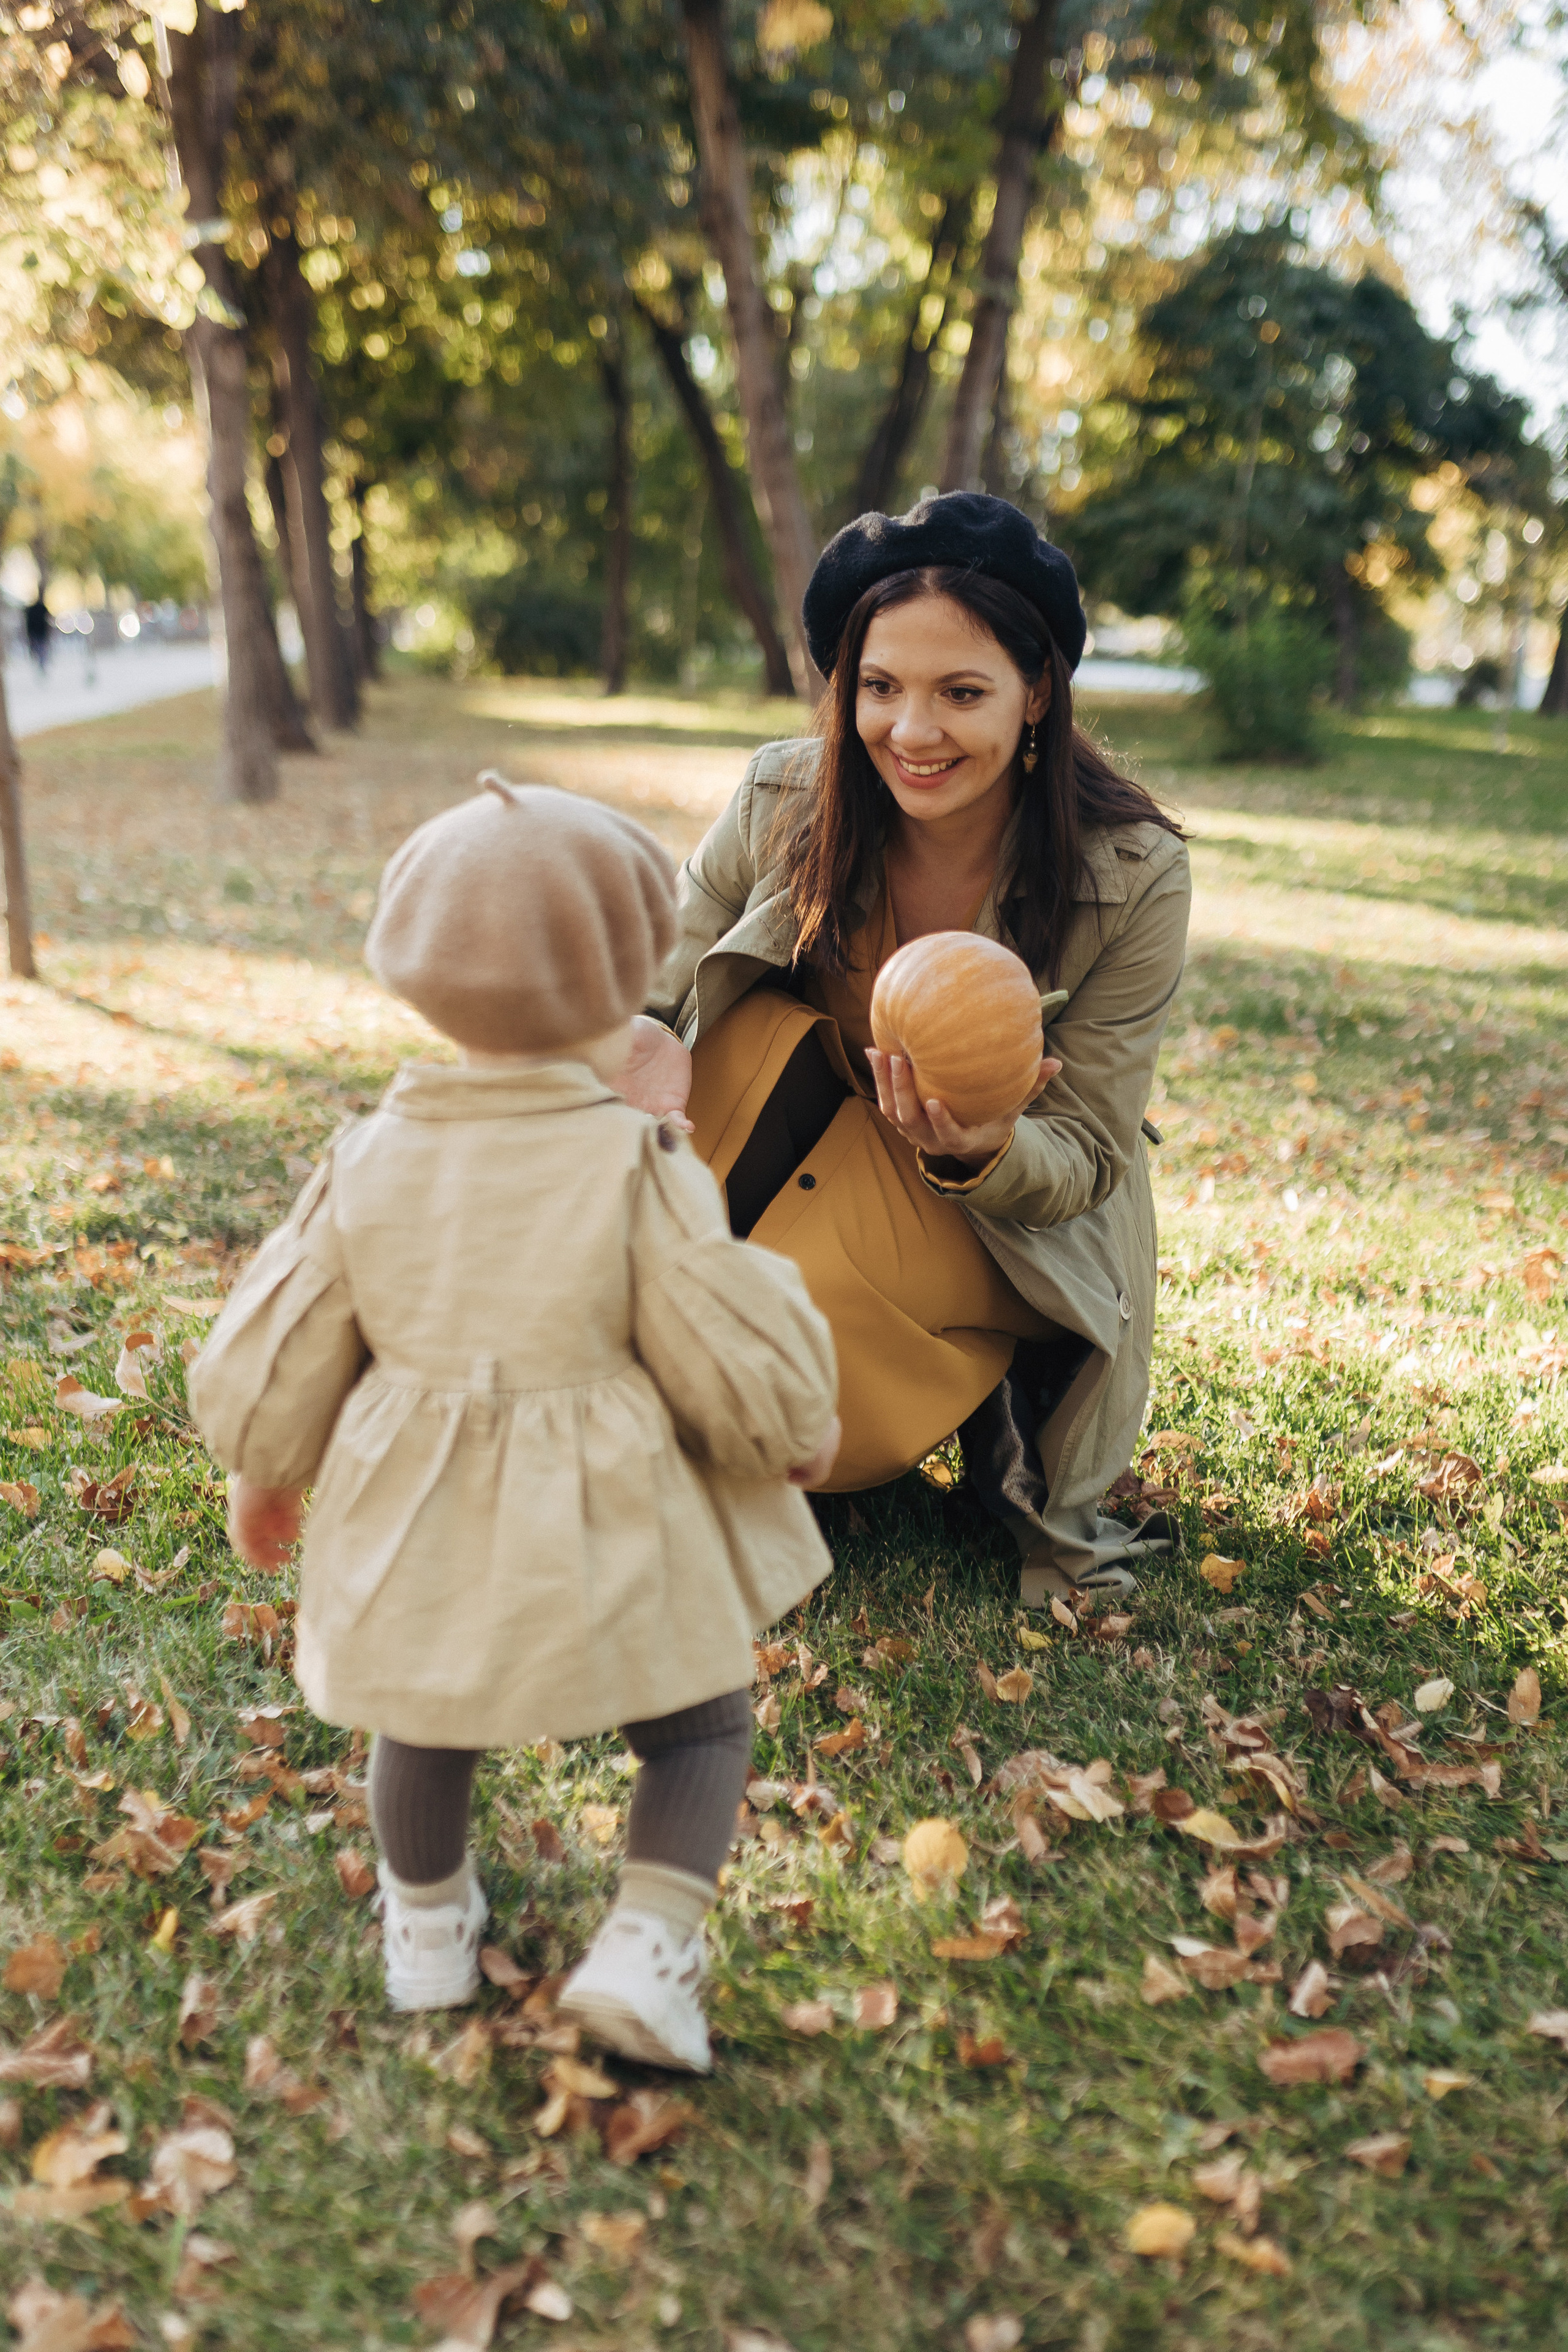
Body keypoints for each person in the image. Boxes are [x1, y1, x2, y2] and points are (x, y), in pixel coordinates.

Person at [189, 779, 840, 2068]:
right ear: (622, 978)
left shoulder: (366, 1157)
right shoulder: (632, 1161)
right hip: (610, 1503)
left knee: (422, 1720)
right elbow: (713, 1321)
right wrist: (790, 1426)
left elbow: (292, 1328)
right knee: (699, 1720)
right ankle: (647, 1944)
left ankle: (425, 1927)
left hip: (418, 1499)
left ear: (410, 974)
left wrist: (264, 1473)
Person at [622, 491, 1191, 1605]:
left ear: (1037, 695)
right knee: (625, 1261)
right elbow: (657, 978)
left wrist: (982, 1146)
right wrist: (632, 1052)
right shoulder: (786, 794)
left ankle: (798, 1439)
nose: (911, 732)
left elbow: (1087, 1151)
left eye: (961, 693)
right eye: (879, 688)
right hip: (777, 1100)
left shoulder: (1131, 873)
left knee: (780, 1355)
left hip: (976, 1182)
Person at [23, 592, 51, 674]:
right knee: (40, 650)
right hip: (39, 633)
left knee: (39, 650)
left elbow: (48, 621)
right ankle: (41, 665)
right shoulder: (41, 608)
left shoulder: (33, 609)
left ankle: (41, 665)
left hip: (38, 633)